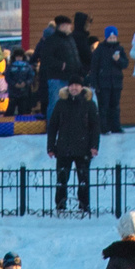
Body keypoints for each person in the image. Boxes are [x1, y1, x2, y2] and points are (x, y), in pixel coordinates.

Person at [48, 81, 102, 215]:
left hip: (83, 149)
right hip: (63, 148)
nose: (74, 88)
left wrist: (94, 146)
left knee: (83, 180)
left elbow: (95, 127)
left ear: (82, 87)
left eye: (77, 85)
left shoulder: (89, 104)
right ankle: (60, 206)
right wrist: (51, 146)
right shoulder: (61, 104)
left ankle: (84, 206)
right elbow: (53, 126)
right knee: (61, 179)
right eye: (71, 85)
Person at [88, 24, 129, 134]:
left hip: (116, 83)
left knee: (115, 106)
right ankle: (104, 127)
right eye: (110, 38)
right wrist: (95, 83)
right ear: (106, 38)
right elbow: (94, 67)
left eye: (114, 37)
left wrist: (118, 60)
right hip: (103, 83)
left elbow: (125, 64)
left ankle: (115, 126)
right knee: (103, 106)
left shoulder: (119, 49)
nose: (112, 39)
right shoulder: (100, 50)